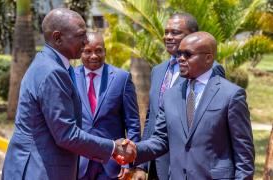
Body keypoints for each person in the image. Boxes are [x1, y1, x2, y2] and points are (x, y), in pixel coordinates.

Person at [2, 8, 135, 180]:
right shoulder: (51, 72)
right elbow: (66, 134)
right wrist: (113, 147)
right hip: (39, 171)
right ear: (58, 38)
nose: (86, 41)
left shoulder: (56, 66)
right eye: (81, 35)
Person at [123, 32, 255, 180]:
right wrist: (134, 149)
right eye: (179, 53)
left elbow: (244, 155)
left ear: (208, 58)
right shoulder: (170, 96)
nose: (180, 58)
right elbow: (160, 140)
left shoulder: (231, 95)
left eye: (188, 54)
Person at [134, 13, 225, 180]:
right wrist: (141, 165)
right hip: (156, 164)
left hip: (187, 166)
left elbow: (212, 122)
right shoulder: (158, 70)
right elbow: (151, 118)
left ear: (192, 36)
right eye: (166, 32)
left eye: (175, 32)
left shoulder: (210, 69)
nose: (168, 37)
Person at [75, 32, 141, 180]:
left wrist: (128, 163)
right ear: (81, 52)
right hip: (78, 162)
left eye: (98, 50)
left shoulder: (121, 78)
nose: (94, 56)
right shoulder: (69, 77)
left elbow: (133, 124)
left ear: (105, 51)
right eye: (88, 51)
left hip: (112, 164)